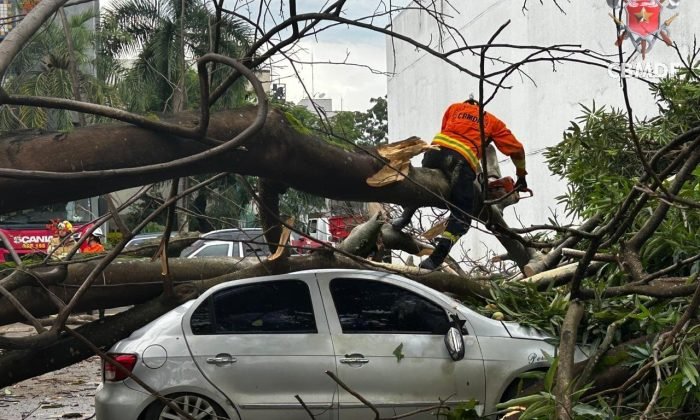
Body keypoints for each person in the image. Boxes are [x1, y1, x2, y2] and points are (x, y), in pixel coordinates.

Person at [392, 96, 528, 270]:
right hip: (460, 162)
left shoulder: (454, 108)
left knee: (421, 184)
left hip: (433, 153)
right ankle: (436, 258)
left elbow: (446, 132)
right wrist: (521, 176)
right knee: (462, 214)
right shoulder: (491, 121)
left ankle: (405, 216)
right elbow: (517, 149)